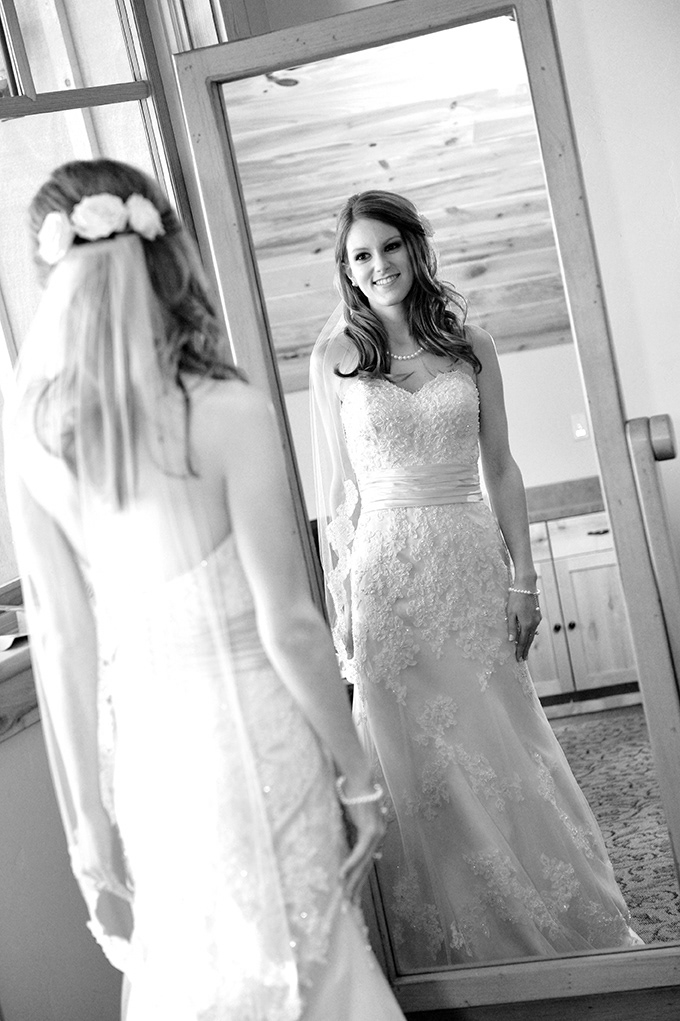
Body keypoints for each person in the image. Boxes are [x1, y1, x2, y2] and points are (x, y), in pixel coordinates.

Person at [5, 160, 407, 1021]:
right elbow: (289, 626)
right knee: (309, 965)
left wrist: (86, 825)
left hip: (150, 760)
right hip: (260, 739)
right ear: (167, 254)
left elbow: (64, 643)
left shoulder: (36, 435)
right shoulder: (227, 410)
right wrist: (357, 774)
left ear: (52, 277)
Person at [310, 189, 642, 970]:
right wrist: (343, 601)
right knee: (412, 757)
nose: (379, 265)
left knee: (499, 731)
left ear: (415, 247)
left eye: (390, 246)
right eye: (362, 255)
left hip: (467, 558)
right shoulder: (336, 358)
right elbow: (337, 498)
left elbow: (502, 466)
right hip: (386, 575)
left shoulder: (472, 344)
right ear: (347, 271)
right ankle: (441, 946)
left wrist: (525, 578)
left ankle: (553, 918)